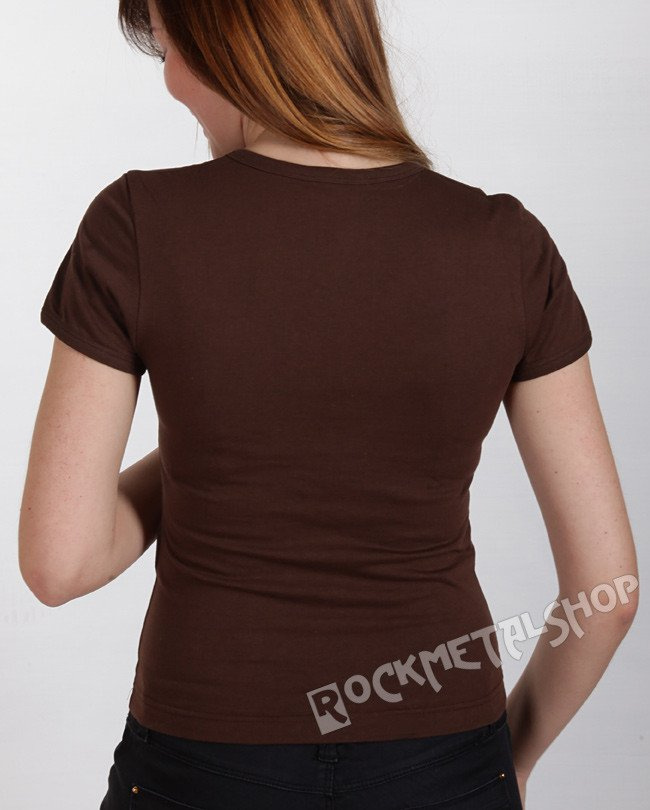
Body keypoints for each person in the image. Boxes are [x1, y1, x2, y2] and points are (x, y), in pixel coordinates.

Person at [18, 1, 639, 808]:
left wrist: (221, 449)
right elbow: (608, 592)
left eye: (168, 51)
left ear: (226, 45)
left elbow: (62, 563)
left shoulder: (135, 225)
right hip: (446, 753)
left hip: (203, 757)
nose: (168, 81)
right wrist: (505, 763)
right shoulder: (506, 243)